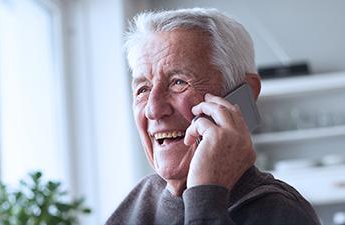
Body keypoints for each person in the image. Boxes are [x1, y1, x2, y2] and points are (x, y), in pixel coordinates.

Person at [106, 8, 320, 225]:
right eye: (143, 89)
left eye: (179, 82)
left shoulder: (279, 210)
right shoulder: (140, 201)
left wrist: (205, 194)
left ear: (243, 95)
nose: (153, 109)